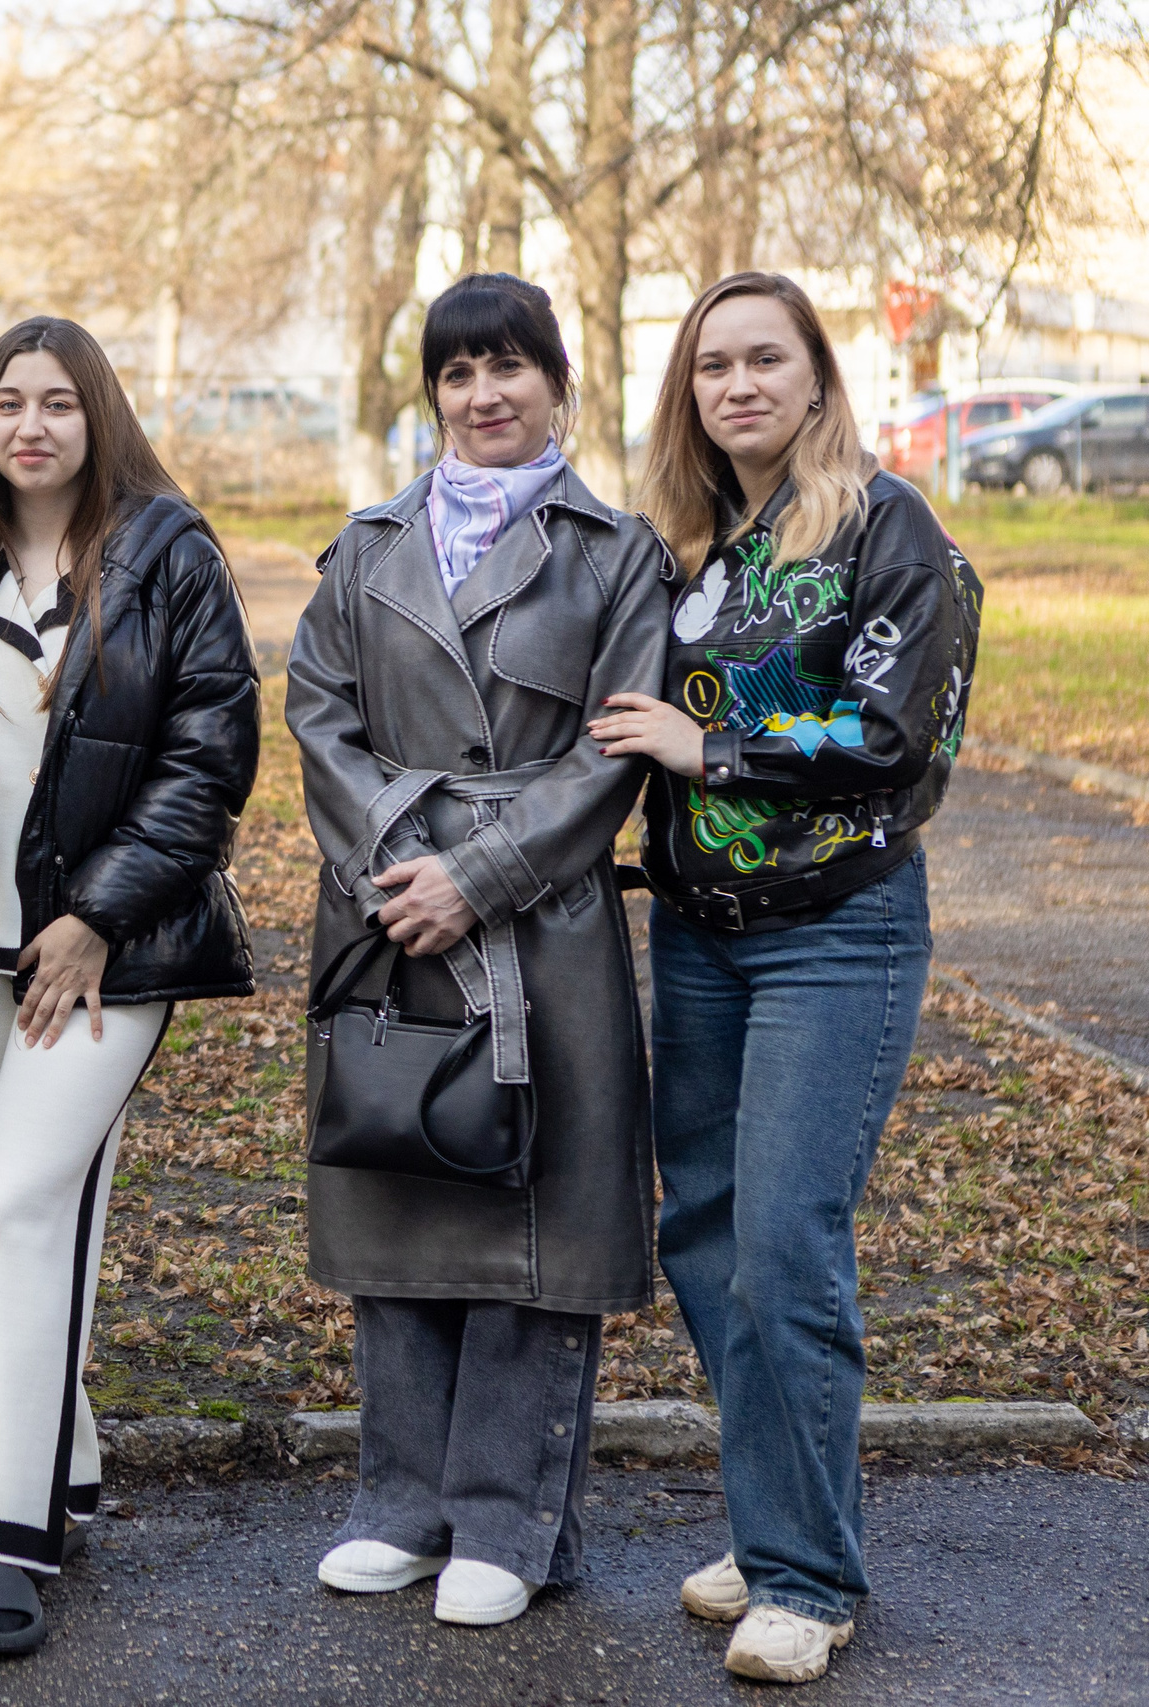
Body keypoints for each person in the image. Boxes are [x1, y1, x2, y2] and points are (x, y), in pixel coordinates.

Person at [589, 271, 980, 1686]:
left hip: (838, 930)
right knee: (704, 1235)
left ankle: (809, 1578)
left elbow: (897, 735)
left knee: (784, 1247)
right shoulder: (695, 547)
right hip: (698, 934)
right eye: (713, 368)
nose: (740, 385)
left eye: (768, 360)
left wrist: (719, 755)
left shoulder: (888, 528)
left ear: (818, 377)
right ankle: (774, 1532)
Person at [285, 273, 671, 1629]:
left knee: (530, 1216)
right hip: (389, 904)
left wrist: (482, 872)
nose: (484, 393)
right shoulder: (368, 543)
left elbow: (615, 749)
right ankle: (401, 1502)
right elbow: (317, 710)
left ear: (557, 383)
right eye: (458, 372)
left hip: (540, 921)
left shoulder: (618, 554)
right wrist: (402, 862)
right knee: (400, 1176)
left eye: (510, 366)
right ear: (434, 393)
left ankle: (511, 1518)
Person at [0, 317, 258, 1657]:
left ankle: (3, 1533)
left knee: (24, 1197)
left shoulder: (168, 554)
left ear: (99, 412)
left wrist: (99, 914)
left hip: (101, 953)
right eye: (6, 404)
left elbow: (210, 758)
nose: (30, 425)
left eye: (56, 402)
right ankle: (60, 1456)